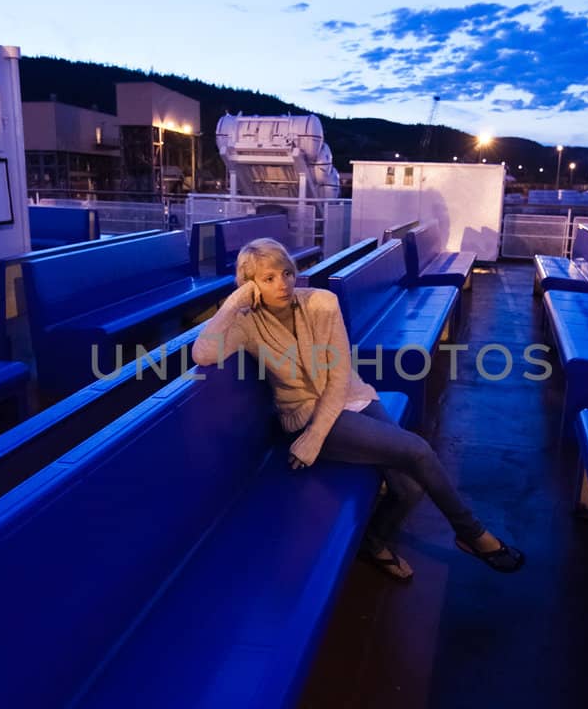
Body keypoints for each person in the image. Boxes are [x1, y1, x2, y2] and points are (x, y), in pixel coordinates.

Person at [192, 237, 524, 582]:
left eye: (287, 273)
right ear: (250, 286)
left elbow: (339, 377)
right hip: (305, 413)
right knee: (418, 449)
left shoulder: (322, 303)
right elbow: (202, 354)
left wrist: (315, 439)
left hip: (351, 397)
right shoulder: (246, 324)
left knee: (409, 488)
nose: (284, 283)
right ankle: (472, 534)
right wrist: (234, 302)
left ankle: (375, 542)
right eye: (269, 278)